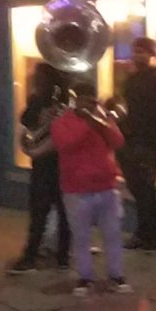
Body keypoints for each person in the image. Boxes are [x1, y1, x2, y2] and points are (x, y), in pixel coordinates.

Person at [52, 83, 132, 297]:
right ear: (76, 100)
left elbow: (117, 141)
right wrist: (89, 123)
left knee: (113, 235)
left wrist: (101, 122)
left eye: (93, 100)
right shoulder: (62, 122)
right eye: (86, 100)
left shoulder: (103, 119)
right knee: (81, 237)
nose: (91, 105)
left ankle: (116, 276)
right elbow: (66, 144)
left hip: (106, 187)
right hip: (77, 190)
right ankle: (84, 278)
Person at [9, 63, 72, 274]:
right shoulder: (37, 100)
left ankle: (62, 255)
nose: (36, 79)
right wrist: (40, 117)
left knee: (63, 212)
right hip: (43, 162)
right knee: (39, 212)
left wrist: (60, 119)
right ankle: (34, 254)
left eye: (40, 77)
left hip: (61, 162)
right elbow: (25, 119)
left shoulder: (66, 101)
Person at [120, 37, 156, 251]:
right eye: (136, 51)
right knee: (137, 187)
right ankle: (148, 232)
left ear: (151, 55)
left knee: (145, 189)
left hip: (148, 141)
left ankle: (148, 234)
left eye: (142, 51)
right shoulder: (130, 81)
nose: (138, 55)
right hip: (130, 140)